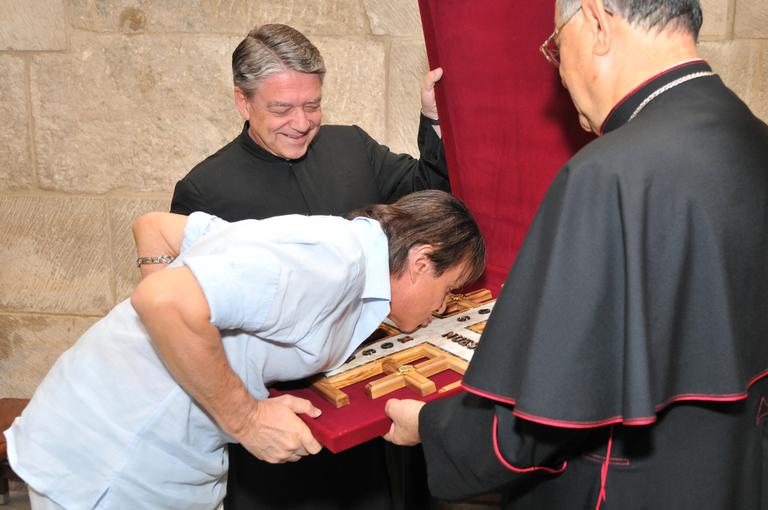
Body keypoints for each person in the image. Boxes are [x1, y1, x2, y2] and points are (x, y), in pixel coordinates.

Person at [384, 1, 768, 508]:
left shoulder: (606, 174)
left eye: (554, 49)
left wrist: (431, 428)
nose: (560, 76)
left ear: (596, 23)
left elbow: (536, 423)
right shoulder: (755, 138)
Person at [4, 190, 485, 510]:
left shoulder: (341, 245)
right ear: (422, 261)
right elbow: (161, 299)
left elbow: (159, 229)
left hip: (151, 448)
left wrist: (192, 341)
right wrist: (246, 418)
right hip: (112, 460)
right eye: (449, 289)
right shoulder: (330, 262)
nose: (442, 307)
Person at [170, 23, 448, 510]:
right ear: (243, 102)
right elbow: (188, 326)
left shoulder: (351, 147)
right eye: (281, 109)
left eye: (312, 105)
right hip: (286, 419)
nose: (301, 121)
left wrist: (435, 119)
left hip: (372, 394)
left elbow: (430, 196)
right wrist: (244, 414)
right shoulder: (203, 191)